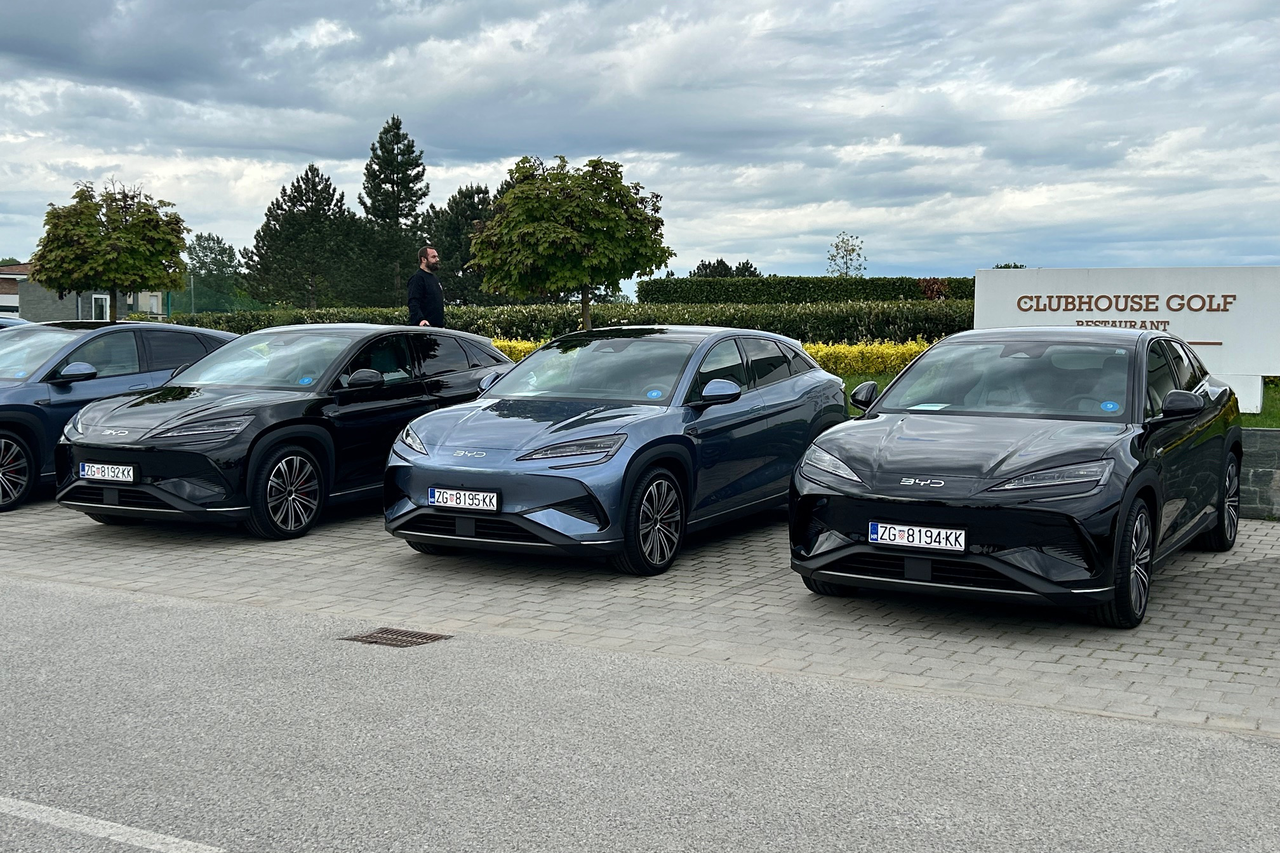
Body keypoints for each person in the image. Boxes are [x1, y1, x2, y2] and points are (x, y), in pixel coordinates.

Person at [407, 245, 444, 328]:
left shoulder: (435, 278)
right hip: (423, 328)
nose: (437, 259)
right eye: (433, 257)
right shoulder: (417, 279)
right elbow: (413, 302)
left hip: (437, 328)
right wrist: (420, 320)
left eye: (437, 257)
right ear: (423, 259)